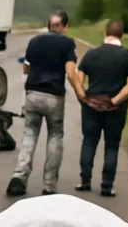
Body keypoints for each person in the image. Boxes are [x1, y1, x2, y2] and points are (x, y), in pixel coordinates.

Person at [6, 11, 86, 196]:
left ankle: (19, 176)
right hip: (54, 96)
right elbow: (71, 73)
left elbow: (27, 65)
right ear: (65, 27)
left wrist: (27, 84)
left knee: (30, 134)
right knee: (55, 136)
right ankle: (49, 185)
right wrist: (81, 94)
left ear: (49, 25)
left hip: (33, 93)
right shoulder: (68, 43)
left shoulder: (35, 41)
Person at [75, 20, 128, 197]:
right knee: (111, 146)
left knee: (89, 141)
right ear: (122, 35)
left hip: (91, 105)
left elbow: (77, 78)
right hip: (116, 110)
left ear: (105, 33)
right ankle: (106, 185)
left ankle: (85, 181)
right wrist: (115, 100)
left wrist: (82, 96)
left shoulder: (91, 54)